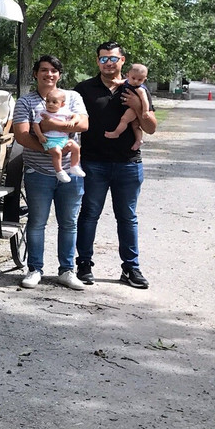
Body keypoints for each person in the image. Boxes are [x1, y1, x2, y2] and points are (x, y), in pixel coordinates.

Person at [75, 42, 156, 289]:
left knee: (127, 217)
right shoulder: (84, 89)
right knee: (89, 214)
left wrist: (138, 107)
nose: (108, 63)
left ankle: (131, 268)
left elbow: (151, 128)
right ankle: (84, 264)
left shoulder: (138, 88)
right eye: (103, 59)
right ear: (97, 62)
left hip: (128, 163)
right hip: (93, 163)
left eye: (112, 58)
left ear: (122, 60)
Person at [11, 55, 89, 290]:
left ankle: (67, 270)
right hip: (38, 171)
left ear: (59, 75)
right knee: (37, 222)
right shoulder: (25, 102)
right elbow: (22, 135)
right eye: (44, 70)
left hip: (70, 171)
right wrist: (49, 149)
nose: (49, 74)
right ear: (36, 74)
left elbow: (84, 124)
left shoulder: (72, 97)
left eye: (54, 70)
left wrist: (54, 126)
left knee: (69, 223)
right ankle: (35, 269)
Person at [33, 88, 87, 183]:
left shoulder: (64, 111)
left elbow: (77, 116)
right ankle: (59, 171)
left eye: (54, 102)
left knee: (76, 147)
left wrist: (72, 121)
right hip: (49, 139)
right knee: (57, 153)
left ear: (62, 104)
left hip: (64, 139)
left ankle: (74, 166)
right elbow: (35, 124)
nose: (50, 104)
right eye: (48, 101)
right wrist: (40, 136)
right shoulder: (43, 113)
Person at [104, 62, 149, 151]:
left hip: (132, 109)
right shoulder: (127, 82)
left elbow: (145, 100)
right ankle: (139, 140)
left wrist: (145, 111)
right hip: (128, 107)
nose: (136, 81)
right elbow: (122, 82)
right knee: (135, 125)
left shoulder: (140, 89)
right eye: (133, 78)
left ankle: (116, 133)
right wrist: (117, 82)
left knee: (124, 120)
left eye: (140, 79)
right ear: (128, 76)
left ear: (145, 79)